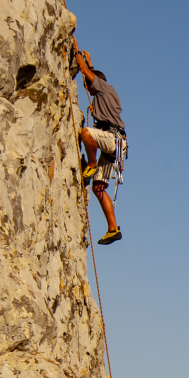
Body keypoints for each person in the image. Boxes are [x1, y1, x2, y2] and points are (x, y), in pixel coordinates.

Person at [74, 38, 125, 245]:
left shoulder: (105, 88)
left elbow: (87, 73)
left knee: (86, 133)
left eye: (90, 87)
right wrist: (91, 62)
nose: (89, 91)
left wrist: (79, 54)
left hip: (112, 139)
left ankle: (92, 165)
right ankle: (113, 229)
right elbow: (91, 75)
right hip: (113, 145)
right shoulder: (105, 94)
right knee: (98, 188)